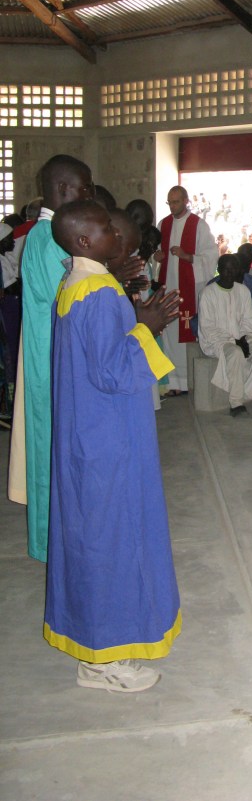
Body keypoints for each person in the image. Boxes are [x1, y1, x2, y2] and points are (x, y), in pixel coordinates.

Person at [46, 200, 181, 692]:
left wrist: (128, 300)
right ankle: (107, 660)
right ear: (84, 241)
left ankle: (94, 649)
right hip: (108, 441)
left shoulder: (75, 282)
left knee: (91, 537)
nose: (117, 238)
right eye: (107, 230)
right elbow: (113, 370)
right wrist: (147, 326)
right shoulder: (100, 295)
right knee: (112, 542)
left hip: (87, 434)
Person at [8, 155, 95, 563]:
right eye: (85, 189)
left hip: (53, 355)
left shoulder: (51, 236)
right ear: (62, 190)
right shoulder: (47, 238)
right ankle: (50, 543)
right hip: (50, 362)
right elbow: (69, 300)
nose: (89, 196)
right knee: (48, 450)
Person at [154, 185, 218, 395]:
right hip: (168, 287)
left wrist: (187, 256)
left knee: (186, 332)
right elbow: (153, 254)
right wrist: (157, 258)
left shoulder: (198, 225)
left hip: (188, 289)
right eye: (169, 202)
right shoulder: (163, 224)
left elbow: (211, 256)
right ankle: (171, 383)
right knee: (170, 334)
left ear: (186, 201)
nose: (172, 206)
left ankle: (187, 382)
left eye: (176, 202)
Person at [197, 253, 252, 416]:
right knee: (235, 353)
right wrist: (233, 341)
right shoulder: (207, 293)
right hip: (216, 342)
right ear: (219, 270)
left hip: (244, 338)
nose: (230, 273)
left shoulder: (243, 291)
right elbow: (207, 328)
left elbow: (250, 319)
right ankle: (236, 403)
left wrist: (246, 337)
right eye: (226, 269)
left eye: (233, 269)